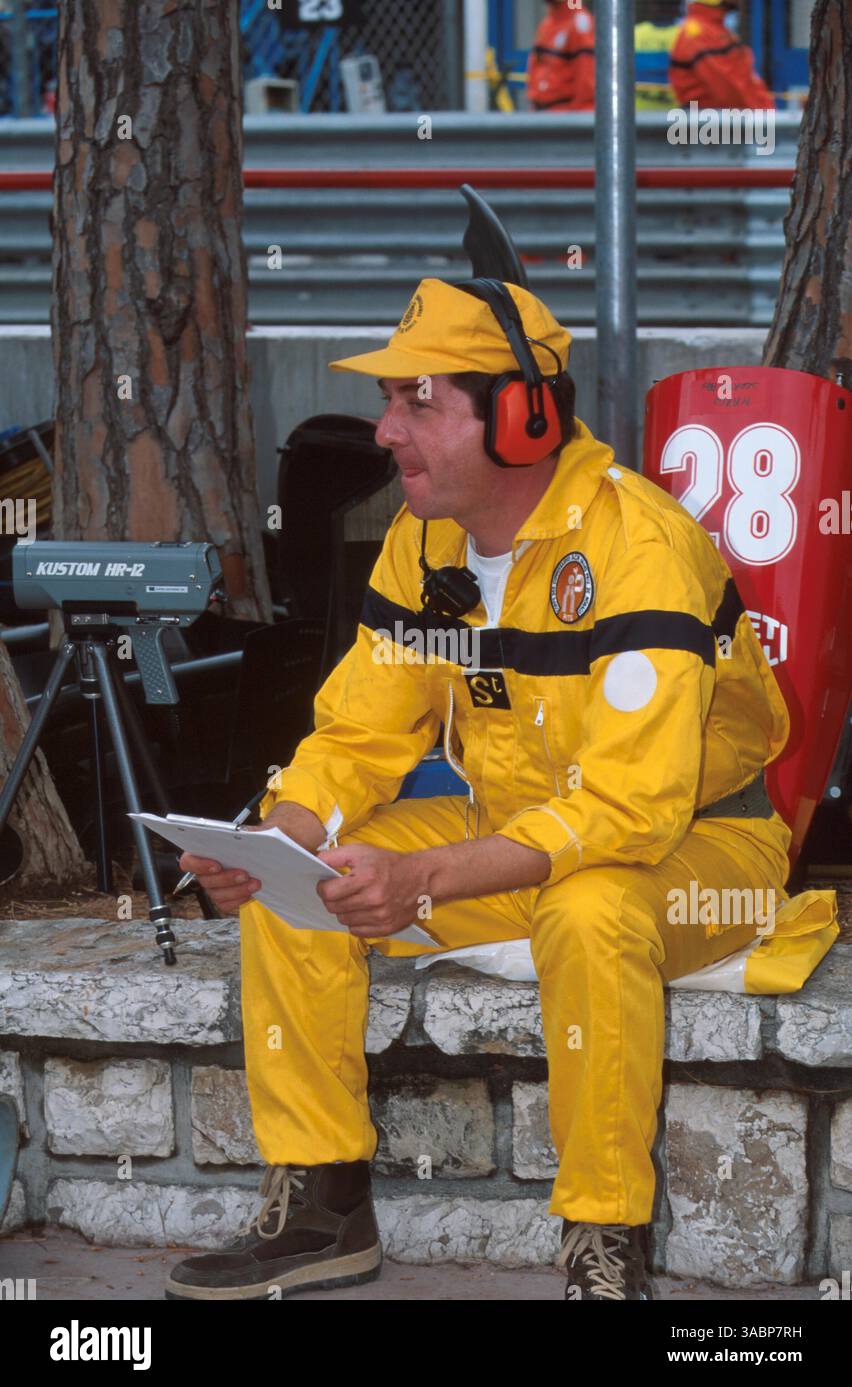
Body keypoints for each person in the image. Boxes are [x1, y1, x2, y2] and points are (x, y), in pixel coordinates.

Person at [166, 277, 837, 1302]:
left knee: (594, 904)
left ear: (523, 418)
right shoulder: (423, 536)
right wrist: (278, 837)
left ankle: (603, 1241)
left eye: (420, 403)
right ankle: (321, 1204)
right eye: (392, 400)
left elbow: (625, 812)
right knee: (299, 889)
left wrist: (423, 874)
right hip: (507, 829)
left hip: (702, 851)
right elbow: (358, 733)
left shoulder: (639, 543)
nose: (387, 431)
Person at [669, 0, 775, 110]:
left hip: (734, 122)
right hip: (721, 124)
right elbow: (730, 93)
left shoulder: (716, 31)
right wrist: (766, 118)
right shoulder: (701, 35)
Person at [526, 0, 595, 112]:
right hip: (546, 117)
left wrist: (578, 124)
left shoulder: (579, 24)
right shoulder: (548, 23)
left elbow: (586, 86)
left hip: (565, 119)